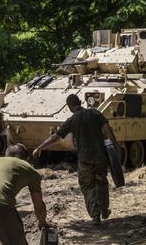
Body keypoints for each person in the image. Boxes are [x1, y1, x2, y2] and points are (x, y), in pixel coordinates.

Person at [33, 94, 119, 226]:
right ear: (80, 102)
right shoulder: (95, 113)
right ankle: (104, 209)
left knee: (87, 186)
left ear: (69, 106)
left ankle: (95, 216)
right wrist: (114, 150)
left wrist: (40, 147)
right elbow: (109, 132)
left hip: (85, 158)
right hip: (101, 156)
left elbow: (55, 137)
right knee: (101, 181)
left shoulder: (73, 119)